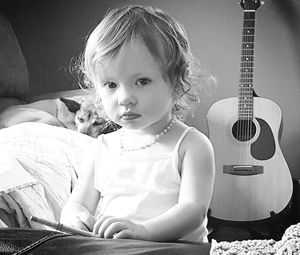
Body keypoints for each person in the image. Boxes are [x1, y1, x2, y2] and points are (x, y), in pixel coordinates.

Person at [60, 4, 215, 243]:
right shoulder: (102, 147)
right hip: (116, 249)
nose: (124, 98)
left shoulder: (191, 145)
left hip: (174, 250)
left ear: (176, 82)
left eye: (142, 81)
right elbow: (78, 202)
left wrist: (144, 231)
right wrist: (76, 216)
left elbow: (193, 211)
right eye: (111, 85)